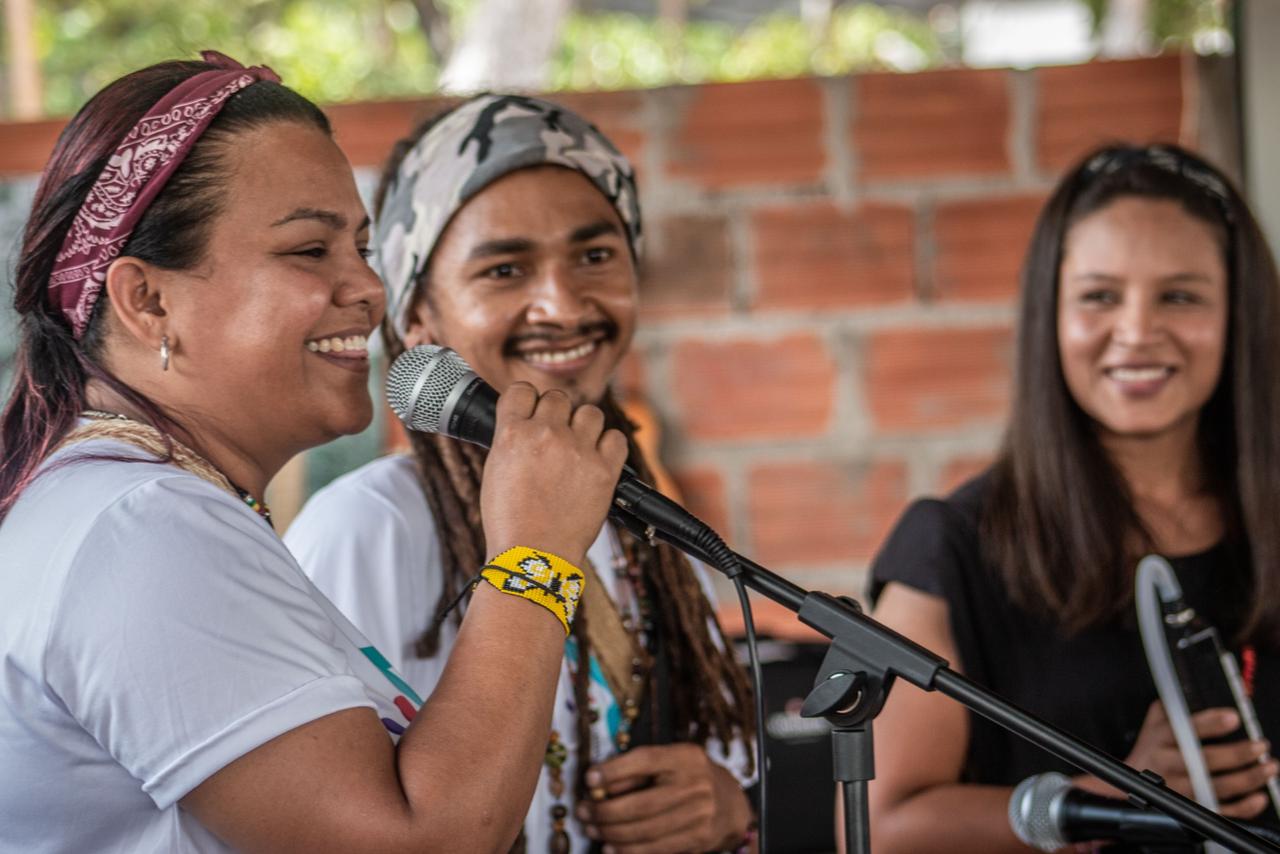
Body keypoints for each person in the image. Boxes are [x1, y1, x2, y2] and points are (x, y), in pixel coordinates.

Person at [0, 54, 628, 853]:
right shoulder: (141, 529)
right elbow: (419, 843)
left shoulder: (136, 506)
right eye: (309, 250)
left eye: (362, 248)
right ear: (148, 300)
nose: (368, 288)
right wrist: (534, 555)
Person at [284, 94, 757, 853]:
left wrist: (727, 806)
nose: (562, 306)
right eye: (504, 269)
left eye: (595, 257)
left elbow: (723, 749)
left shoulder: (647, 524)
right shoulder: (367, 529)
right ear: (418, 316)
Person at [865, 143, 1280, 852]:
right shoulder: (951, 547)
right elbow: (884, 828)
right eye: (1099, 297)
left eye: (1180, 296)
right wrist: (1124, 791)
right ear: (1049, 314)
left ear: (1240, 314)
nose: (1138, 332)